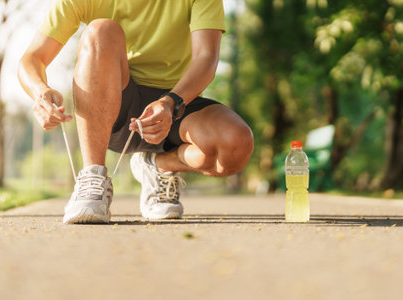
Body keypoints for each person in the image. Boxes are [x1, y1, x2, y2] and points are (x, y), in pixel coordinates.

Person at [18, 0, 254, 224]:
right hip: (114, 103)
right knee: (101, 29)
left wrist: (171, 102)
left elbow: (207, 58)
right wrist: (40, 92)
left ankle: (158, 164)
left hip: (177, 100)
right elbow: (32, 58)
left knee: (235, 144)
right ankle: (93, 179)